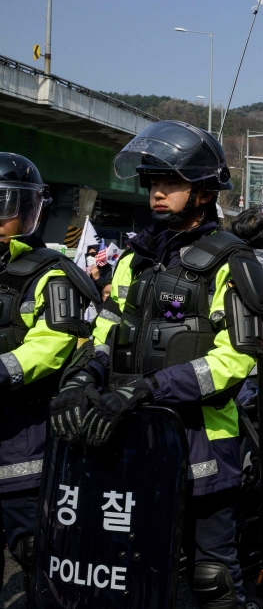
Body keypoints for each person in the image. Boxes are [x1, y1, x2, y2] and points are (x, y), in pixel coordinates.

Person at [51, 120, 263, 608]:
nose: (157, 193)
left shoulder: (231, 262)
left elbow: (236, 358)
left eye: (170, 182)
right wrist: (83, 376)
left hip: (203, 442)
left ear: (204, 193)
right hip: (132, 436)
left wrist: (153, 388)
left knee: (213, 578)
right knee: (126, 562)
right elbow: (106, 334)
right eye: (152, 182)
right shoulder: (134, 260)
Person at [0, 154, 99, 599]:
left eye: (6, 206)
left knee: (39, 554)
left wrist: (2, 370)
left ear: (29, 211)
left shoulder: (52, 273)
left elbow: (53, 342)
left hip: (27, 439)